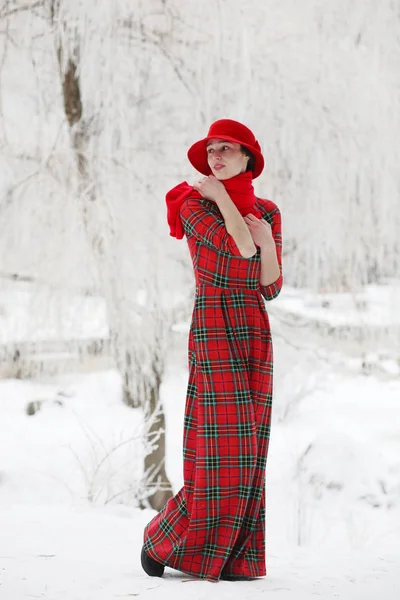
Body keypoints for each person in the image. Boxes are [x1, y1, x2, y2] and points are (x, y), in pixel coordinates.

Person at [141, 119, 283, 582]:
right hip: (215, 326)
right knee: (223, 445)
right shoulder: (193, 204)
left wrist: (265, 247)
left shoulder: (268, 211)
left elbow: (271, 285)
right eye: (212, 150)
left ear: (248, 159)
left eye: (228, 149)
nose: (217, 157)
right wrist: (232, 210)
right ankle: (163, 539)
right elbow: (239, 255)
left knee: (251, 450)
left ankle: (238, 558)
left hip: (254, 330)